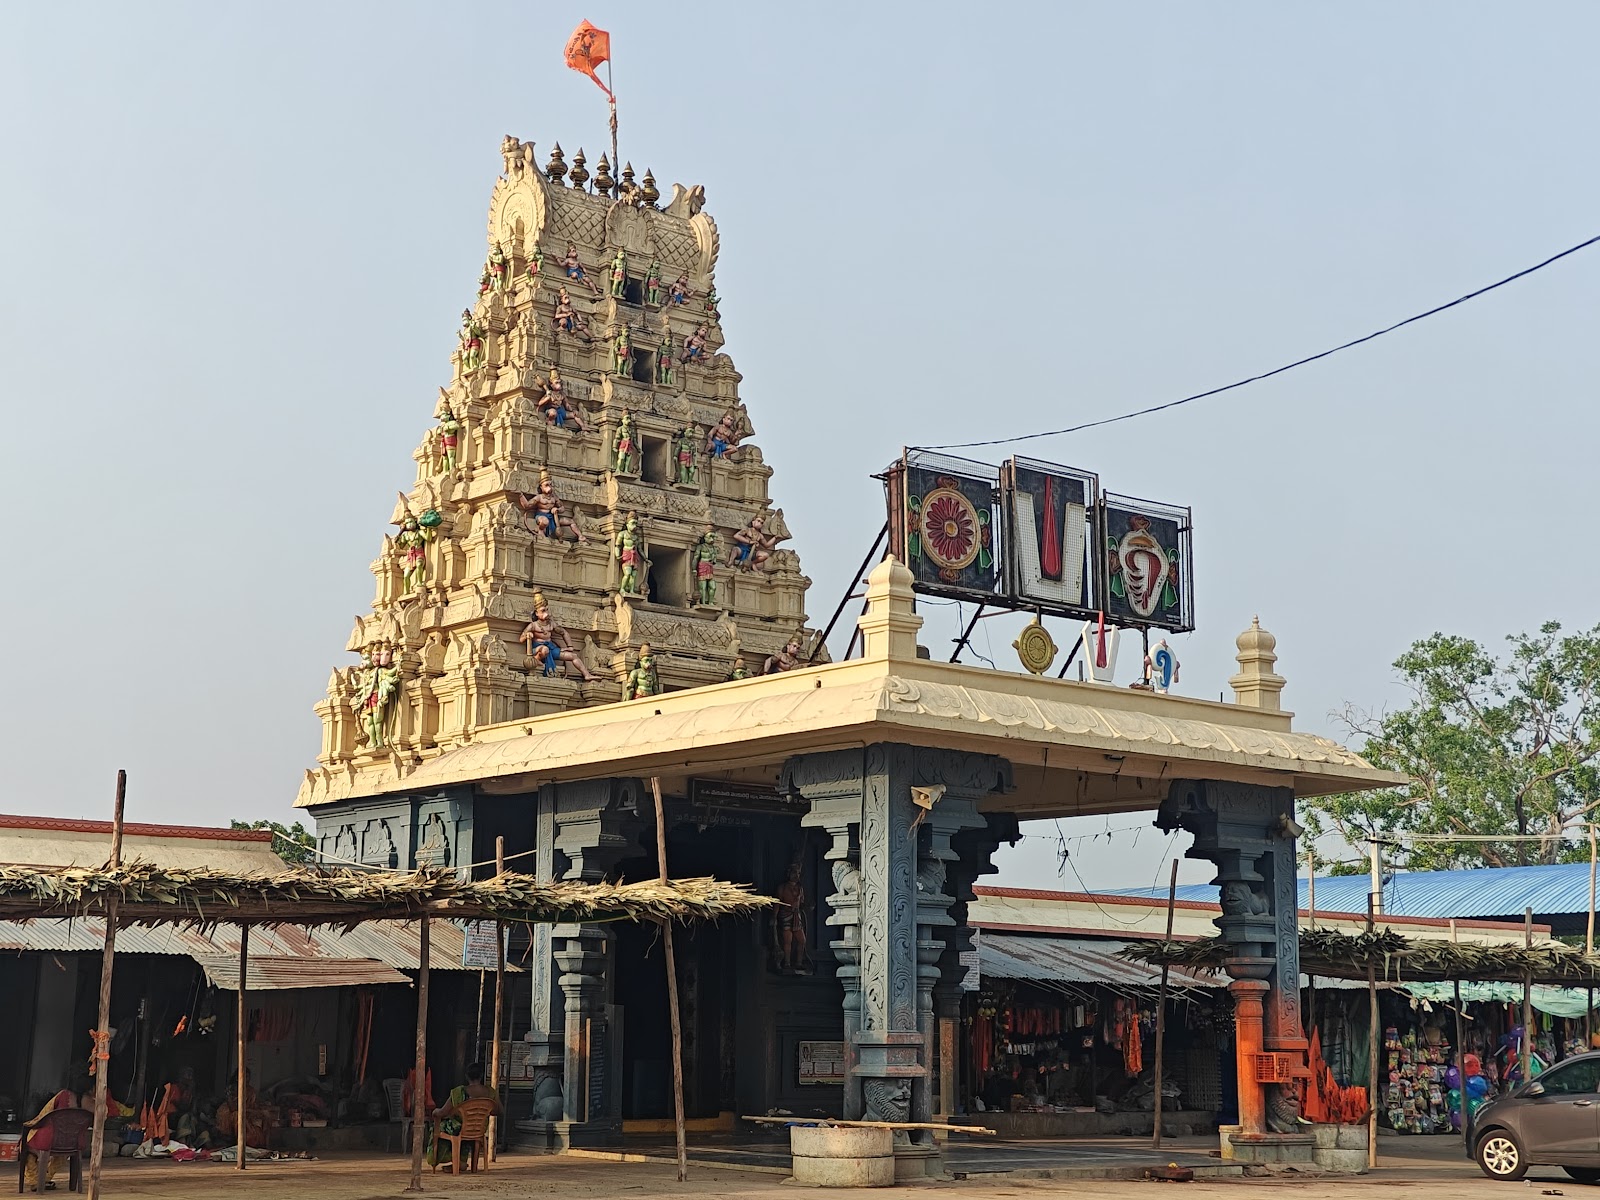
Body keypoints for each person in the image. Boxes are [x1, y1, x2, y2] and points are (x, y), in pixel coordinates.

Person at [427, 1062, 501, 1169]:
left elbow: (443, 1112)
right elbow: (498, 1111)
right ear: (481, 1075)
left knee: (438, 1127)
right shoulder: (490, 1092)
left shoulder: (459, 1092)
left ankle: (444, 1158)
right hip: (479, 1129)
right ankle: (461, 1161)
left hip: (460, 1129)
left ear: (466, 1076)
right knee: (459, 1131)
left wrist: (435, 1112)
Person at [21, 1075, 90, 1191]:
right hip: (73, 1141)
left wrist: (30, 1124)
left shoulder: (64, 1095)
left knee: (25, 1142)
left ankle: (34, 1180)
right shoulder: (90, 1103)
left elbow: (43, 1116)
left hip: (50, 1139)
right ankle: (45, 1178)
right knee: (64, 1151)